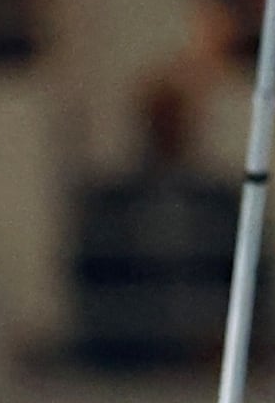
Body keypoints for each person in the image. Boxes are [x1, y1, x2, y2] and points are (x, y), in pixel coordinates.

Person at [68, 73, 245, 378]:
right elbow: (92, 290)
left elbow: (253, 281)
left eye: (175, 118)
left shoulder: (223, 203)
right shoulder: (110, 204)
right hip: (129, 369)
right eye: (160, 118)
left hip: (210, 364)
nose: (168, 128)